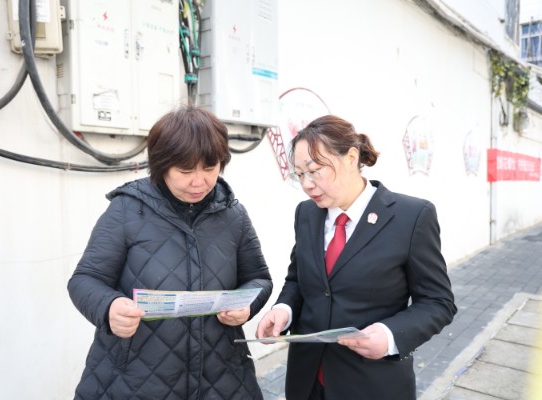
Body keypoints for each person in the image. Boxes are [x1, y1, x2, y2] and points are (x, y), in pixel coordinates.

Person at [68, 105, 273, 400]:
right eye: (185, 171)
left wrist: (246, 305)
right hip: (135, 380)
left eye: (210, 168)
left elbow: (259, 278)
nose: (199, 181)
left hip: (221, 376)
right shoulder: (127, 209)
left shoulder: (234, 214)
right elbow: (85, 279)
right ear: (161, 165)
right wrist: (109, 307)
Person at [256, 115, 457, 400]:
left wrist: (389, 335)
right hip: (307, 382)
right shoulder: (307, 213)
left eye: (315, 171)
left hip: (371, 385)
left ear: (351, 158)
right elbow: (298, 279)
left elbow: (438, 302)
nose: (307, 184)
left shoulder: (411, 216)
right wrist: (284, 310)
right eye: (299, 174)